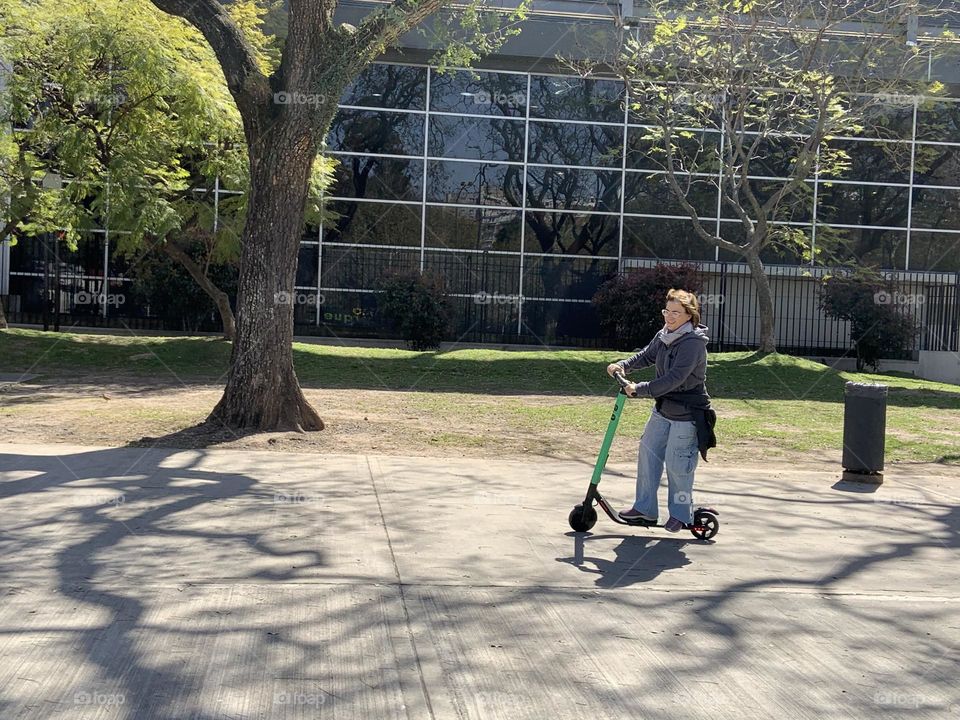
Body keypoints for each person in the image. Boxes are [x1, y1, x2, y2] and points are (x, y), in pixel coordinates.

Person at [606, 288, 716, 532]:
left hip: (687, 414)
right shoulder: (665, 335)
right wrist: (622, 366)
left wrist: (640, 388)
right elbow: (647, 356)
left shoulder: (693, 344)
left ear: (690, 315)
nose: (670, 316)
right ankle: (644, 510)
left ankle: (681, 514)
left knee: (678, 467)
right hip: (663, 410)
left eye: (676, 312)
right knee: (648, 455)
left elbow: (675, 378)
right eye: (667, 311)